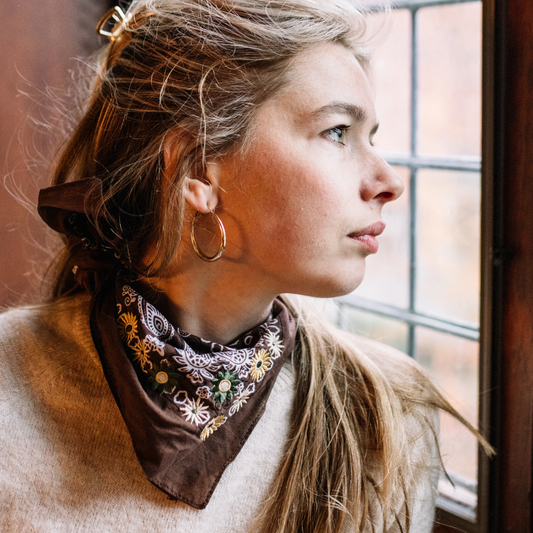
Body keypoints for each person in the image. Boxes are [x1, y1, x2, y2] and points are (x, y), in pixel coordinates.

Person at [0, 1, 491, 532]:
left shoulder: (388, 415)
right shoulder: (8, 387)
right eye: (337, 131)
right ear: (197, 169)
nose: (389, 181)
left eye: (371, 137)